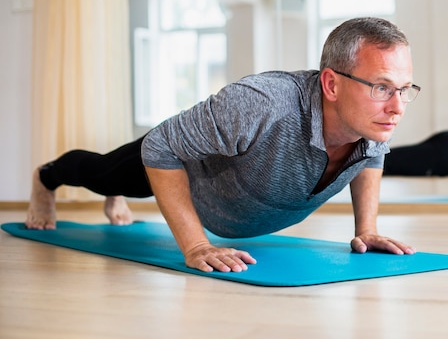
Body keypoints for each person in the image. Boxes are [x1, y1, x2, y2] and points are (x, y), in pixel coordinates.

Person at [26, 17, 421, 272]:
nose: (397, 106)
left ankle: (114, 192)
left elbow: (369, 159)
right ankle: (45, 178)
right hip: (183, 165)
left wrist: (366, 229)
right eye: (382, 87)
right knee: (99, 172)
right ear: (332, 84)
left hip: (226, 197)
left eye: (404, 89)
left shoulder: (372, 119)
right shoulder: (263, 103)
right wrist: (196, 245)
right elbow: (161, 147)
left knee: (114, 182)